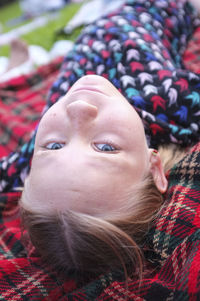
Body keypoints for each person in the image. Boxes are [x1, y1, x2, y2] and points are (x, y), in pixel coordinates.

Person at [1, 0, 200, 281]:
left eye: (55, 145)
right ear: (154, 167)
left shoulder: (27, 163)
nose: (78, 109)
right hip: (150, 10)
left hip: (92, 33)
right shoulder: (167, 101)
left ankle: (17, 65)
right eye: (105, 148)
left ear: (27, 174)